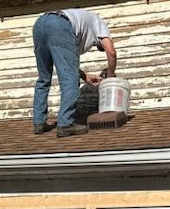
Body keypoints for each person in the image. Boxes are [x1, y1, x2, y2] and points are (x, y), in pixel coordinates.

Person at [31, 9, 117, 137]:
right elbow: (111, 52)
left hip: (40, 23)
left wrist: (85, 76)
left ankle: (38, 123)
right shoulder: (100, 25)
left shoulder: (82, 26)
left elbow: (67, 63)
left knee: (44, 78)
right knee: (70, 81)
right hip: (60, 24)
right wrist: (110, 76)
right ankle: (65, 124)